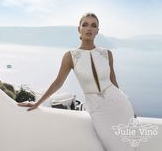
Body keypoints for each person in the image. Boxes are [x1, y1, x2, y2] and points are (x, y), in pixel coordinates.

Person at [18, 13, 135, 151]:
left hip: (119, 105)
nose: (89, 28)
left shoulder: (107, 53)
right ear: (79, 29)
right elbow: (58, 82)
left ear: (97, 31)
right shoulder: (70, 56)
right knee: (113, 146)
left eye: (93, 25)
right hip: (97, 110)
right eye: (85, 24)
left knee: (127, 146)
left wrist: (128, 105)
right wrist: (38, 103)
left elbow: (114, 82)